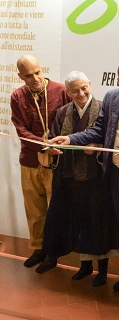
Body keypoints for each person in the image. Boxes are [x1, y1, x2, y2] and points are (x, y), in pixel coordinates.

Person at [49, 60, 119, 293]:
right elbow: (98, 131)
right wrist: (70, 140)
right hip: (116, 176)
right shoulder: (111, 98)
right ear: (118, 81)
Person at [44, 71, 119, 286]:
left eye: (83, 88)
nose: (80, 93)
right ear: (68, 92)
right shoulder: (62, 112)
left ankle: (103, 271)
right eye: (74, 90)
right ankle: (85, 266)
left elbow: (111, 140)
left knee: (99, 224)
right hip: (70, 176)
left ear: (90, 85)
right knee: (78, 222)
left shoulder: (103, 109)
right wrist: (52, 150)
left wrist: (98, 148)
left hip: (96, 178)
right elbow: (53, 139)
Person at [10, 55, 70, 272]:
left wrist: (58, 145)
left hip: (55, 162)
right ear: (20, 76)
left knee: (55, 209)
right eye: (28, 75)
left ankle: (53, 254)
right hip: (30, 161)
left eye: (37, 72)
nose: (35, 78)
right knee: (34, 210)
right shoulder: (17, 96)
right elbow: (21, 130)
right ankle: (38, 249)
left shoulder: (61, 90)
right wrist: (43, 145)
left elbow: (69, 122)